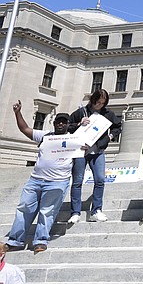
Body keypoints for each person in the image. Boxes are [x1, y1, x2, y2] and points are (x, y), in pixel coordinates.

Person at [6, 102, 71, 253]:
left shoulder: (74, 139)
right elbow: (25, 129)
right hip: (35, 180)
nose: (60, 123)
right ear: (54, 124)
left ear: (68, 124)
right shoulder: (45, 136)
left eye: (64, 121)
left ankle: (40, 241)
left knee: (47, 212)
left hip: (57, 182)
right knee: (24, 209)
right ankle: (15, 240)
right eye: (58, 121)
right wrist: (17, 113)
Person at [67, 89, 122, 224]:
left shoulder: (108, 114)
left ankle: (96, 210)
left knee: (100, 180)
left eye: (103, 103)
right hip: (80, 151)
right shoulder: (81, 112)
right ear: (92, 100)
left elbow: (118, 127)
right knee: (77, 181)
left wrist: (109, 137)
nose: (100, 105)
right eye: (98, 102)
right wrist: (79, 123)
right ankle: (75, 212)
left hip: (98, 151)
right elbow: (68, 126)